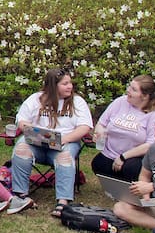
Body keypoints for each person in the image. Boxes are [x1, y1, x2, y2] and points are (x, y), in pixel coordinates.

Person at [10, 67, 94, 217]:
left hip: (65, 143)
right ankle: (20, 195)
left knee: (65, 157)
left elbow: (84, 127)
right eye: (65, 84)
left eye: (70, 83)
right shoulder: (36, 99)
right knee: (21, 148)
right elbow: (21, 120)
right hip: (38, 142)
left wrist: (64, 140)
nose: (70, 86)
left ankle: (63, 201)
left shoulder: (77, 102)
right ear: (53, 86)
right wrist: (30, 131)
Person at [91, 75, 155, 181]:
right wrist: (99, 131)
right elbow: (102, 123)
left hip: (138, 157)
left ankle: (139, 186)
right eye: (129, 87)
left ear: (145, 96)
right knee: (98, 164)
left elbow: (152, 144)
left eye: (133, 89)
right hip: (111, 153)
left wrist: (123, 156)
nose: (128, 90)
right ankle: (119, 188)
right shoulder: (120, 102)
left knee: (131, 168)